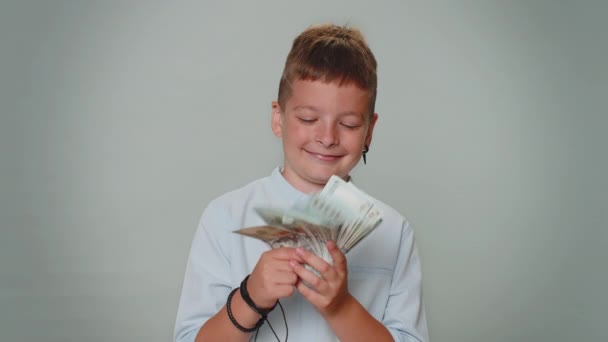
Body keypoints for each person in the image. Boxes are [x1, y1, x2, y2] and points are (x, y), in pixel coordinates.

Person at [174, 24, 429, 342]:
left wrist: (341, 308)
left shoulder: (394, 231)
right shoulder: (223, 217)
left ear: (370, 130)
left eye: (348, 124)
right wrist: (249, 298)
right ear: (278, 118)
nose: (327, 137)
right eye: (309, 119)